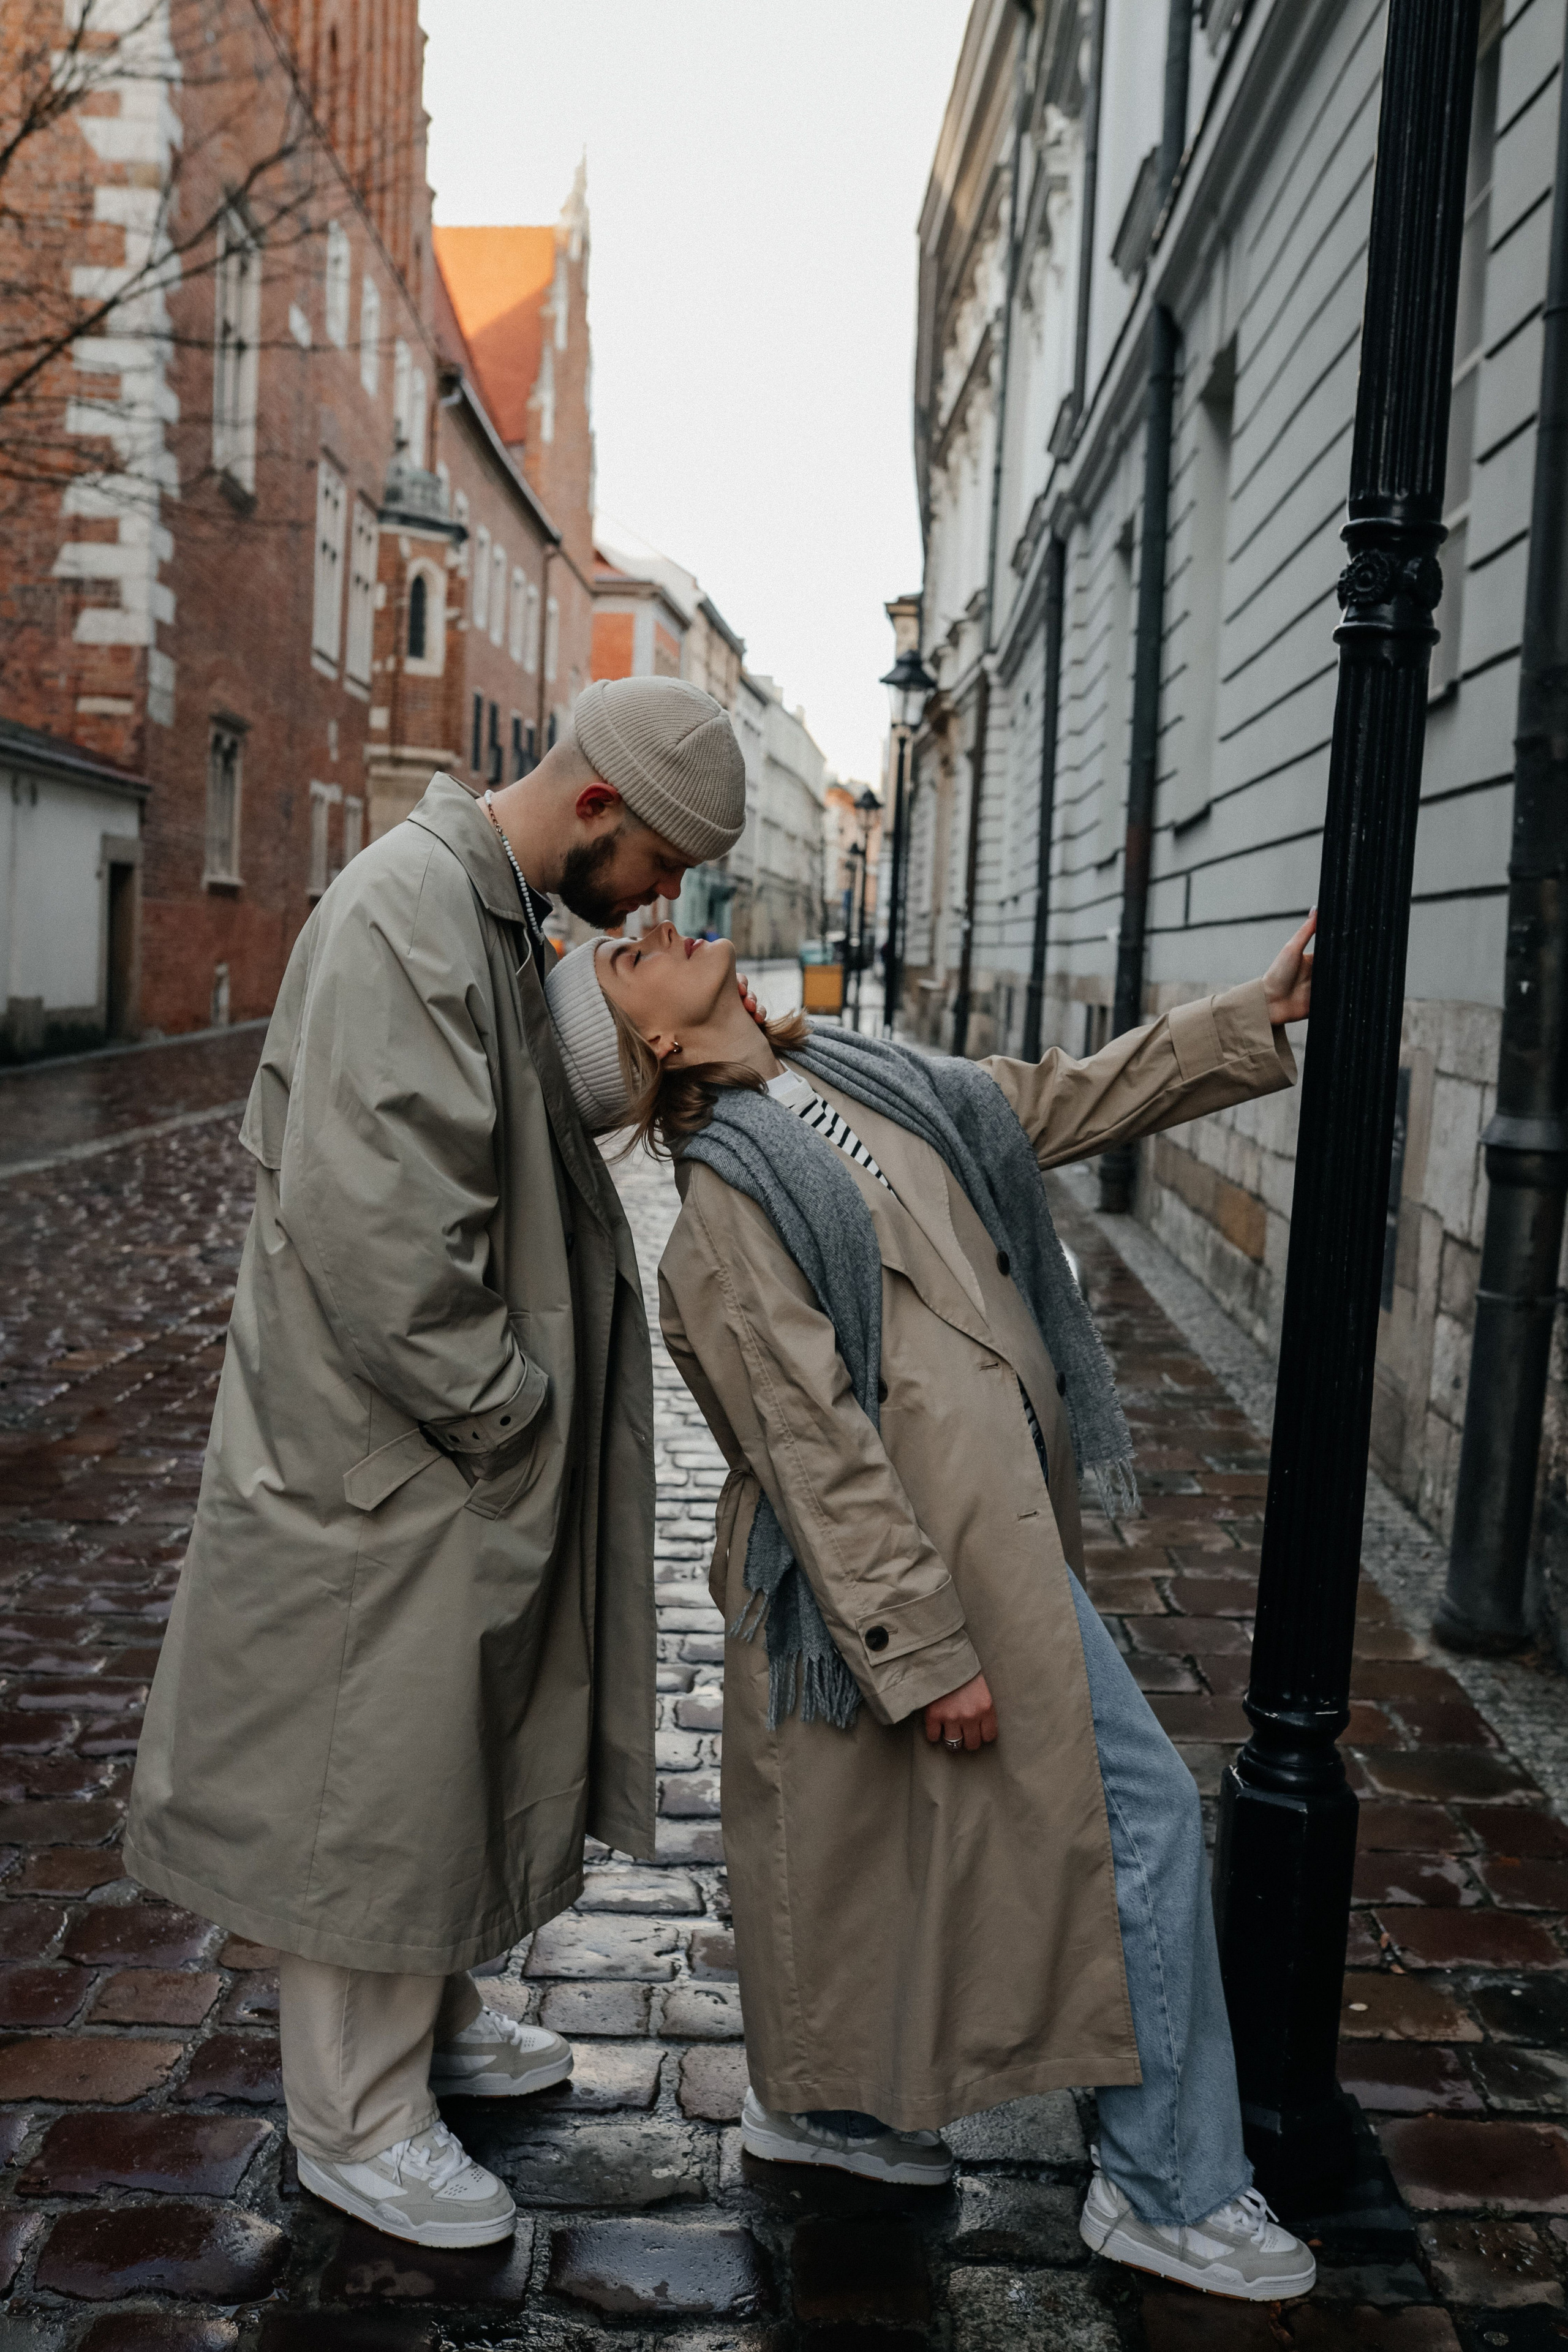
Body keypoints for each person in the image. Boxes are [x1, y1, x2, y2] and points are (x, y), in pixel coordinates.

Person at [542, 914, 1321, 2304]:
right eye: (618, 958)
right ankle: (1165, 2188)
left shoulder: (847, 1071)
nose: (647, 927)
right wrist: (922, 1651)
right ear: (650, 1040)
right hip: (927, 1555)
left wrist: (1244, 1019)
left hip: (991, 1511)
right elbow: (812, 1451)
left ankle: (838, 2111)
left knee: (883, 1852)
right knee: (1130, 1814)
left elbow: (1028, 1108)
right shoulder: (723, 1210)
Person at [124, 677, 747, 2252]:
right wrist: (510, 1413)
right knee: (369, 1780)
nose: (662, 897)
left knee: (438, 1760)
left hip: (427, 1450)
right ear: (598, 803)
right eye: (663, 859)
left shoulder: (482, 908)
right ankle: (356, 2123)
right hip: (385, 1457)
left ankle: (434, 2025)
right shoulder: (407, 907)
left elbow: (511, 1131)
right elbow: (382, 1228)